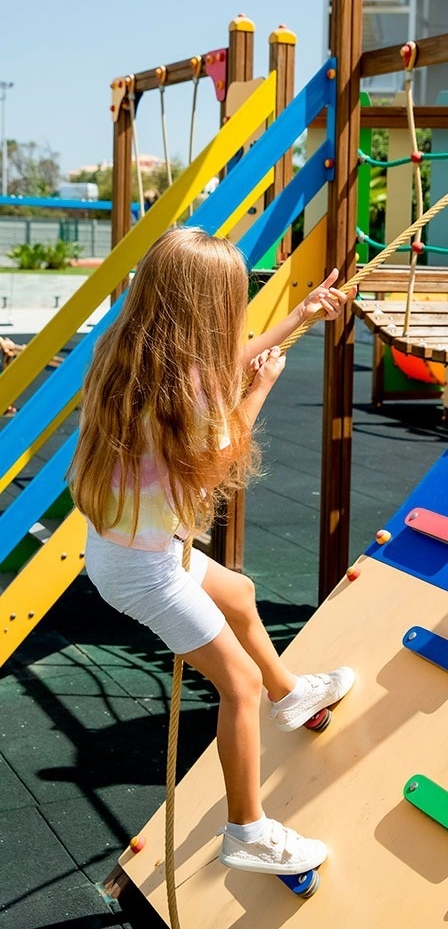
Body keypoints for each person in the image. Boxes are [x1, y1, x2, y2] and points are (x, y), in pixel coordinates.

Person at [68, 227, 356, 876]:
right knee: (238, 682)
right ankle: (247, 830)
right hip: (147, 571)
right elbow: (215, 466)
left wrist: (296, 320)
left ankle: (291, 697)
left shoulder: (131, 351)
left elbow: (217, 369)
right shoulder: (187, 390)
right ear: (209, 306)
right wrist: (262, 389)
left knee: (241, 595)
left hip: (130, 550)